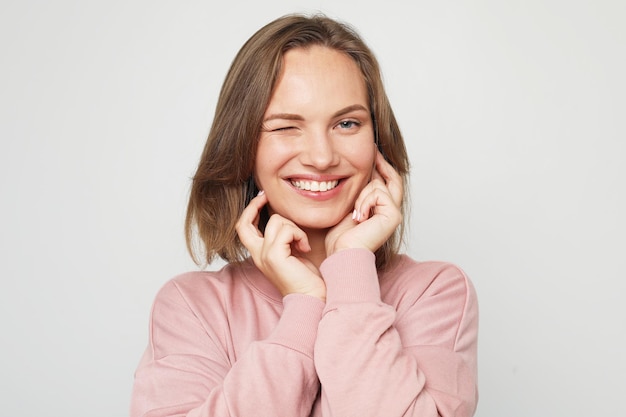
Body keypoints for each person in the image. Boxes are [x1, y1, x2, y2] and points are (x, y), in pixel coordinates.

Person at [130, 13, 478, 417]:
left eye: (347, 123)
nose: (321, 156)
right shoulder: (191, 307)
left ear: (378, 143)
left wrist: (349, 267)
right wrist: (305, 306)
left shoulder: (434, 292)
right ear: (244, 147)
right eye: (286, 127)